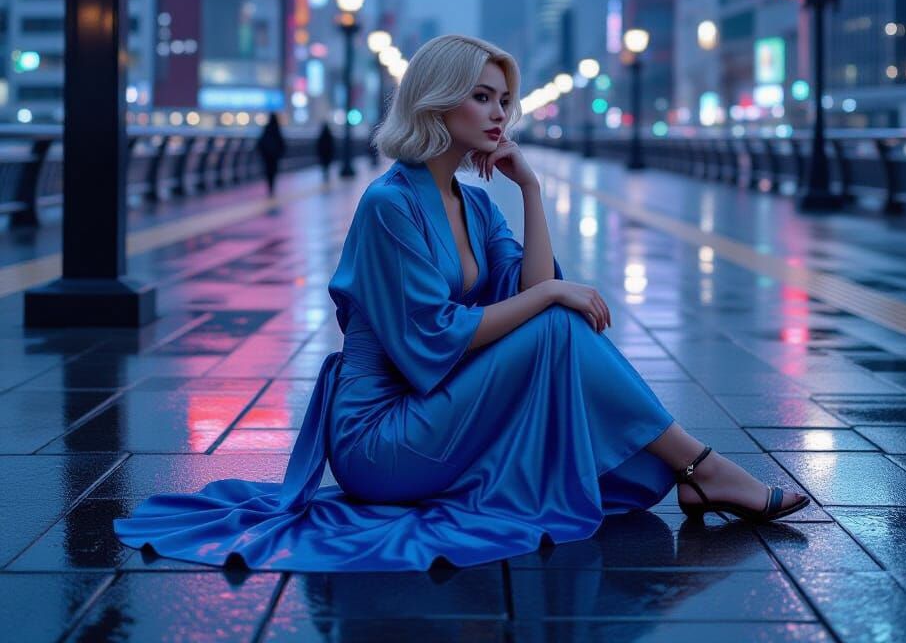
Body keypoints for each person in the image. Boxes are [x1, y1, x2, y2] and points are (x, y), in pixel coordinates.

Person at [114, 34, 807, 572]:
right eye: (482, 97)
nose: (499, 114)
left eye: (505, 100)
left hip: (434, 405)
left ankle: (688, 470)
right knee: (559, 327)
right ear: (435, 102)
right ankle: (704, 468)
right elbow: (433, 342)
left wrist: (530, 190)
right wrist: (549, 295)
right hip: (380, 437)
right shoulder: (389, 205)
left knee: (626, 463)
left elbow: (534, 288)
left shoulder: (474, 204)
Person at [256, 112, 286, 195]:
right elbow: (281, 142)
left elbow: (260, 141)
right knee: (273, 170)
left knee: (268, 170)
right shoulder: (277, 129)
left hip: (266, 155)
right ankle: (272, 186)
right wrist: (280, 153)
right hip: (275, 156)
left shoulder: (266, 128)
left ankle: (270, 186)